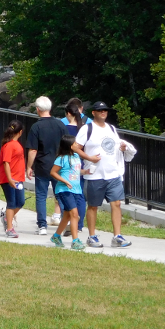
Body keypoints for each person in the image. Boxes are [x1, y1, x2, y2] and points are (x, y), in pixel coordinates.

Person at [74, 102, 133, 249]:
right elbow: (75, 147)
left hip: (113, 173)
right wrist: (89, 158)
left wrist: (123, 148)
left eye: (105, 110)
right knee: (93, 206)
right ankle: (92, 236)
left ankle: (117, 236)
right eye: (100, 110)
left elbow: (115, 145)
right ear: (93, 113)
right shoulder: (87, 129)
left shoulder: (111, 128)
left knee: (117, 204)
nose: (103, 112)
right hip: (95, 175)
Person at [25, 96, 68, 235]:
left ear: (38, 109)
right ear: (50, 108)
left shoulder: (36, 126)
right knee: (60, 195)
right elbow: (67, 145)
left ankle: (42, 226)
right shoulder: (60, 124)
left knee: (41, 196)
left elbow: (33, 150)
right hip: (59, 166)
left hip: (43, 166)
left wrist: (29, 167)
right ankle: (64, 223)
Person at [50, 134, 86, 251]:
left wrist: (86, 172)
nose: (77, 145)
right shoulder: (61, 159)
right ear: (70, 146)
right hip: (64, 190)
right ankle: (75, 241)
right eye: (75, 143)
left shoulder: (76, 156)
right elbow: (53, 172)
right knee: (74, 214)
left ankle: (56, 236)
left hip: (76, 189)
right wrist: (64, 181)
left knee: (66, 215)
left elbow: (75, 171)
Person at [0, 120, 25, 238]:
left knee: (21, 201)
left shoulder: (16, 144)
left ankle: (5, 216)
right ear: (20, 132)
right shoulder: (9, 145)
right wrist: (9, 178)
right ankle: (9, 228)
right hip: (9, 178)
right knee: (12, 203)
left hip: (18, 178)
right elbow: (6, 163)